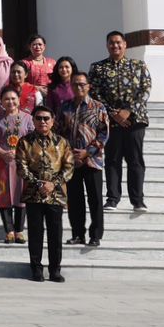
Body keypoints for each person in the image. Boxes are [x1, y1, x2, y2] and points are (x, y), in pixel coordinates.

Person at [90, 30, 151, 213]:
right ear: (107, 45)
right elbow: (94, 93)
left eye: (118, 42)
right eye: (111, 42)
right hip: (110, 121)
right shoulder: (98, 68)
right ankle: (112, 199)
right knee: (112, 160)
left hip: (135, 120)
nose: (115, 46)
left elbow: (145, 90)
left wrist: (127, 111)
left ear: (125, 44)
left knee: (135, 160)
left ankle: (138, 200)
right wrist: (114, 113)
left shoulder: (138, 66)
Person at [17, 105, 75, 282]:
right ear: (33, 120)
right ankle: (36, 269)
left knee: (55, 234)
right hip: (33, 194)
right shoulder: (25, 142)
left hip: (55, 195)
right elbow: (21, 166)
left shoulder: (62, 142)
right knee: (35, 233)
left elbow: (69, 166)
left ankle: (55, 269)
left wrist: (53, 184)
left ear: (52, 121)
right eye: (39, 118)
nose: (42, 121)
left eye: (46, 118)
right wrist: (39, 183)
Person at [57, 71, 109, 247]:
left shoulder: (98, 107)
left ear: (89, 86)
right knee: (74, 199)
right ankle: (78, 233)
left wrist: (88, 152)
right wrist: (69, 153)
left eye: (82, 84)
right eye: (75, 84)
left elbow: (104, 133)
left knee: (95, 199)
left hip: (92, 160)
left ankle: (95, 235)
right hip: (71, 161)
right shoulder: (65, 107)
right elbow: (59, 132)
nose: (78, 87)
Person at [0, 86, 33, 244]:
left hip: (22, 163)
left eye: (13, 98)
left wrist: (21, 153)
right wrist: (1, 151)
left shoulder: (28, 118)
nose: (10, 102)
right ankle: (9, 231)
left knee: (21, 197)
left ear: (18, 100)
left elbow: (33, 138)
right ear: (1, 101)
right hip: (1, 163)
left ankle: (19, 230)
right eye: (6, 99)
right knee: (3, 197)